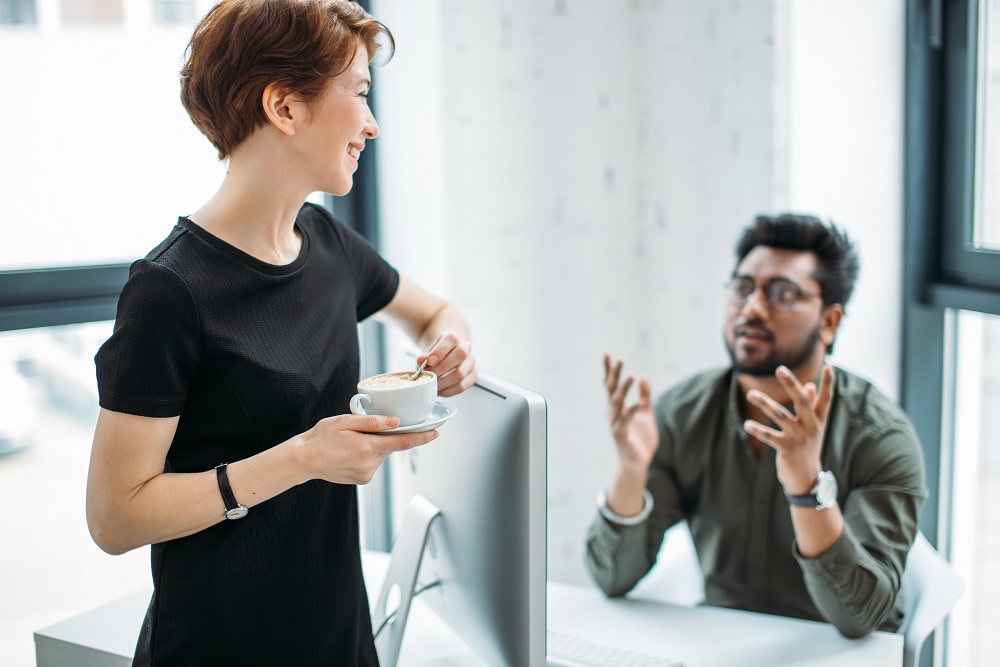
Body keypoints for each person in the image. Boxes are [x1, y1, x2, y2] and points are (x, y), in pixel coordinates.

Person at [85, 1, 476, 664]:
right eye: (358, 93)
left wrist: (451, 348)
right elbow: (115, 516)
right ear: (284, 107)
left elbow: (435, 311)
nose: (372, 125)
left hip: (339, 640)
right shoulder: (168, 291)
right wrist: (303, 458)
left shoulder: (329, 244)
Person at [586, 214, 927, 638]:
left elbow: (859, 618)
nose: (752, 308)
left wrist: (807, 487)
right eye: (742, 288)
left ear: (829, 322)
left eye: (782, 293)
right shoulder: (683, 413)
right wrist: (630, 473)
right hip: (725, 649)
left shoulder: (880, 436)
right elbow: (611, 578)